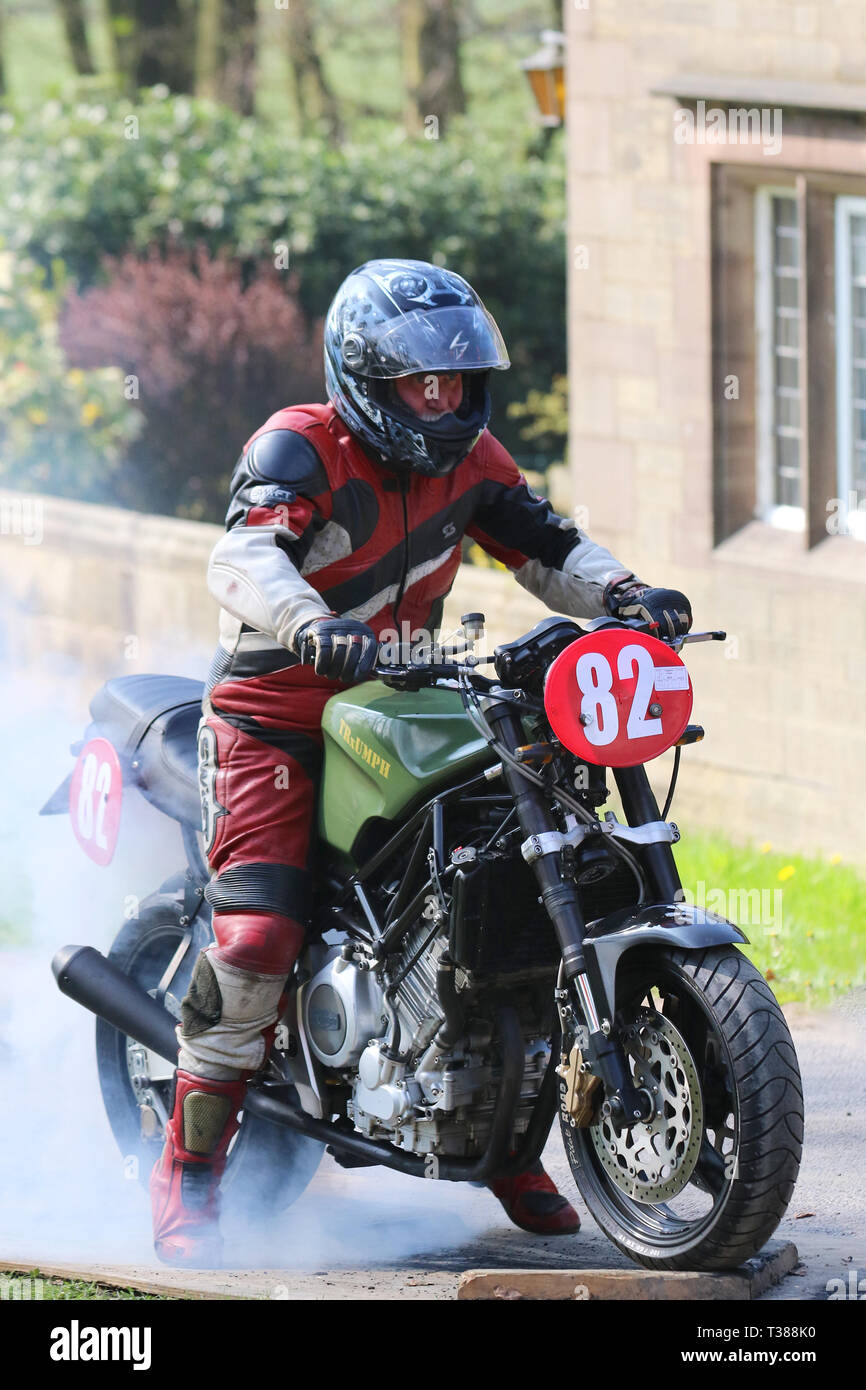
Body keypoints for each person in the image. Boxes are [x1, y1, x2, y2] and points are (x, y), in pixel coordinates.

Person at [150, 258, 692, 1265]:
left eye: (453, 381)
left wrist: (624, 593)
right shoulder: (299, 446)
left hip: (402, 706)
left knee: (506, 885)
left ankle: (498, 1135)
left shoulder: (469, 459)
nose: (440, 400)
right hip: (278, 716)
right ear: (365, 375)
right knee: (260, 930)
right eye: (418, 382)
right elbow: (242, 555)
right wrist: (311, 625)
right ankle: (188, 1168)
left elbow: (539, 542)